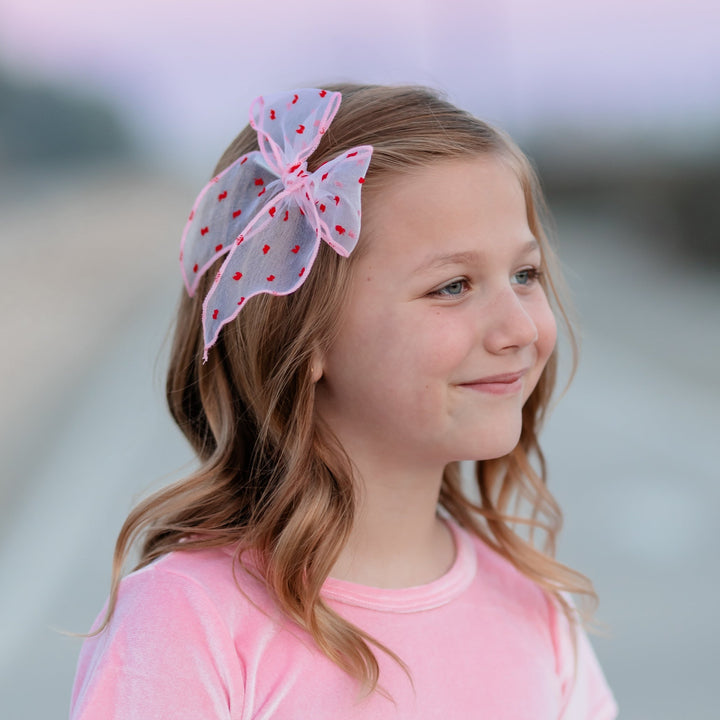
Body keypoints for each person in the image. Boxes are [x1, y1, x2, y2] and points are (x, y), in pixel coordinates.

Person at [70, 85, 618, 719]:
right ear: (303, 335)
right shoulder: (191, 620)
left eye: (525, 275)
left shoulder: (539, 612)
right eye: (452, 286)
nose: (520, 329)